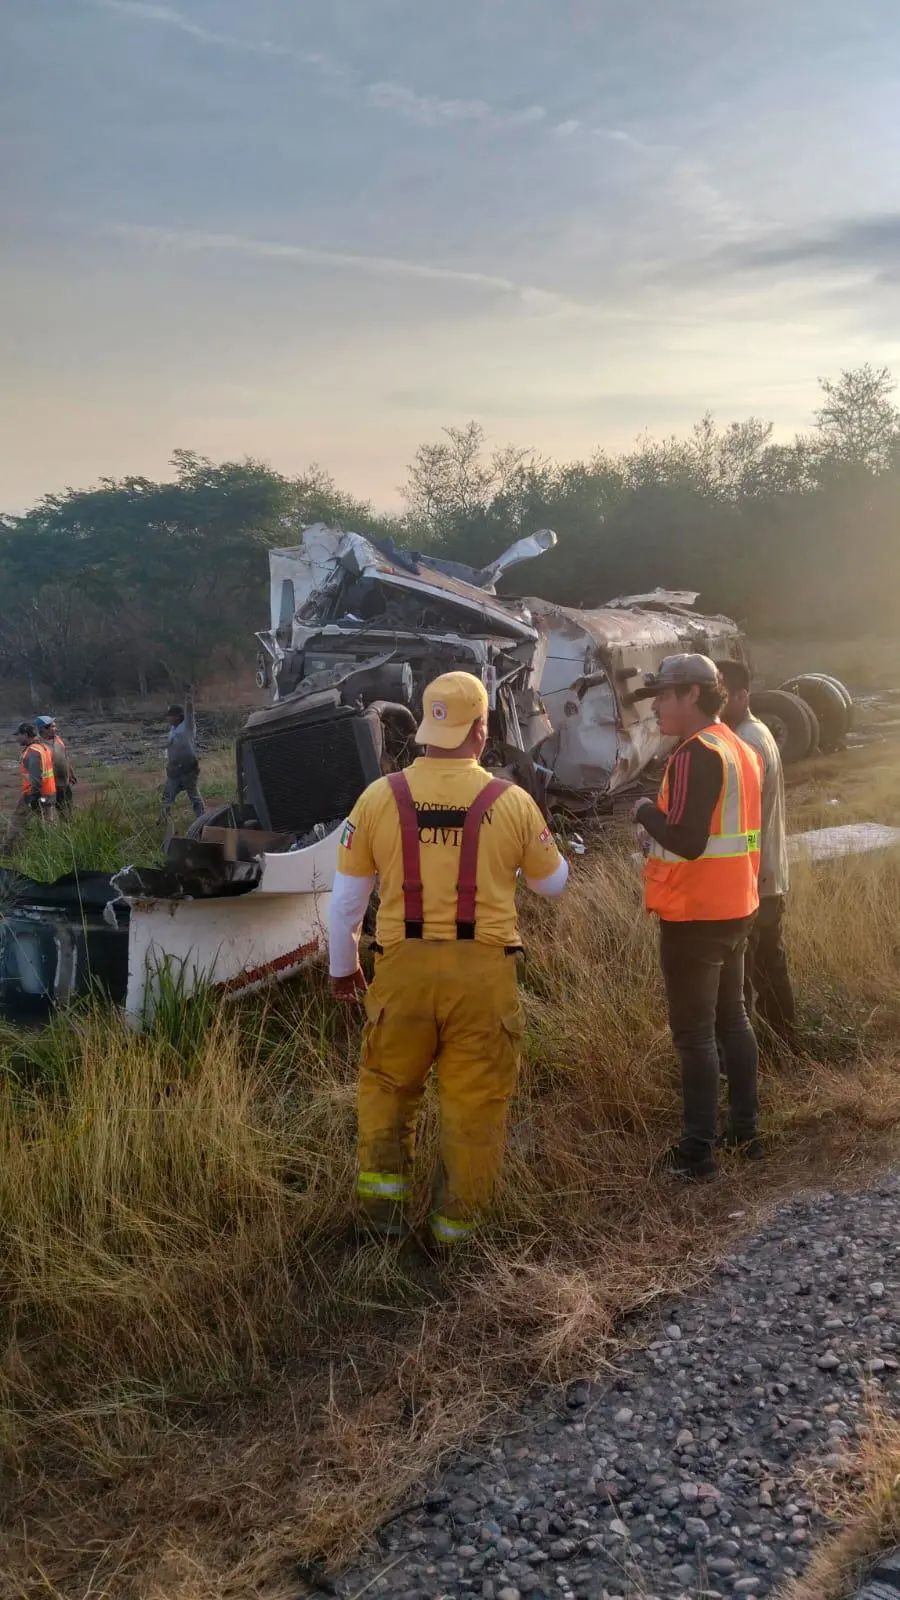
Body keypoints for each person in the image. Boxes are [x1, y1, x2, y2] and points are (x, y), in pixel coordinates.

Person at [328, 670, 569, 1247]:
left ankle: (382, 1226)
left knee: (388, 1089)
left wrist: (343, 968)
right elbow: (554, 885)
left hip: (401, 972)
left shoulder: (378, 797)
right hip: (483, 979)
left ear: (427, 728)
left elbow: (344, 906)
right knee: (474, 1106)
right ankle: (456, 1236)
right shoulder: (511, 802)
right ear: (481, 731)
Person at [632, 654, 763, 1180]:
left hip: (696, 914)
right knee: (733, 1018)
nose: (657, 707)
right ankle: (745, 1130)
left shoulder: (694, 753)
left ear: (690, 695)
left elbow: (687, 841)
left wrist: (644, 811)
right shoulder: (738, 746)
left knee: (695, 1036)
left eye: (663, 696)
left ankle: (697, 1152)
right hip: (737, 907)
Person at [716, 659, 796, 1047]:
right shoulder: (756, 730)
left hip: (756, 876)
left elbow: (738, 816)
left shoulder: (746, 741)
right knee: (768, 961)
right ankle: (784, 1042)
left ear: (742, 695)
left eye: (722, 694)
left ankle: (758, 1049)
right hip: (768, 871)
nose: (715, 702)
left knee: (746, 970)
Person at [1, 722, 56, 855]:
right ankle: (53, 848)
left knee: (17, 819)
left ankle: (7, 851)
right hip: (48, 793)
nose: (16, 738)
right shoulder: (43, 747)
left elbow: (36, 778)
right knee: (47, 822)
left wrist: (32, 797)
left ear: (26, 734)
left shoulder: (32, 752)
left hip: (35, 794)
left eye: (18, 735)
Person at [161, 703, 204, 821]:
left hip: (187, 769)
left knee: (194, 796)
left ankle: (201, 819)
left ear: (178, 716)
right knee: (167, 795)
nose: (168, 718)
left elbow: (189, 712)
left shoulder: (187, 726)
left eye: (170, 716)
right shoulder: (173, 729)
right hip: (174, 770)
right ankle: (163, 819)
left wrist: (189, 699)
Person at [36, 715, 76, 815]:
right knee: (58, 809)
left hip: (65, 781)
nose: (55, 729)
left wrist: (71, 773)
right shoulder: (39, 745)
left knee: (69, 807)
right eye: (52, 727)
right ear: (43, 729)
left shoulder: (58, 740)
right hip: (53, 784)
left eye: (54, 726)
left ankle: (70, 826)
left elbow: (65, 756)